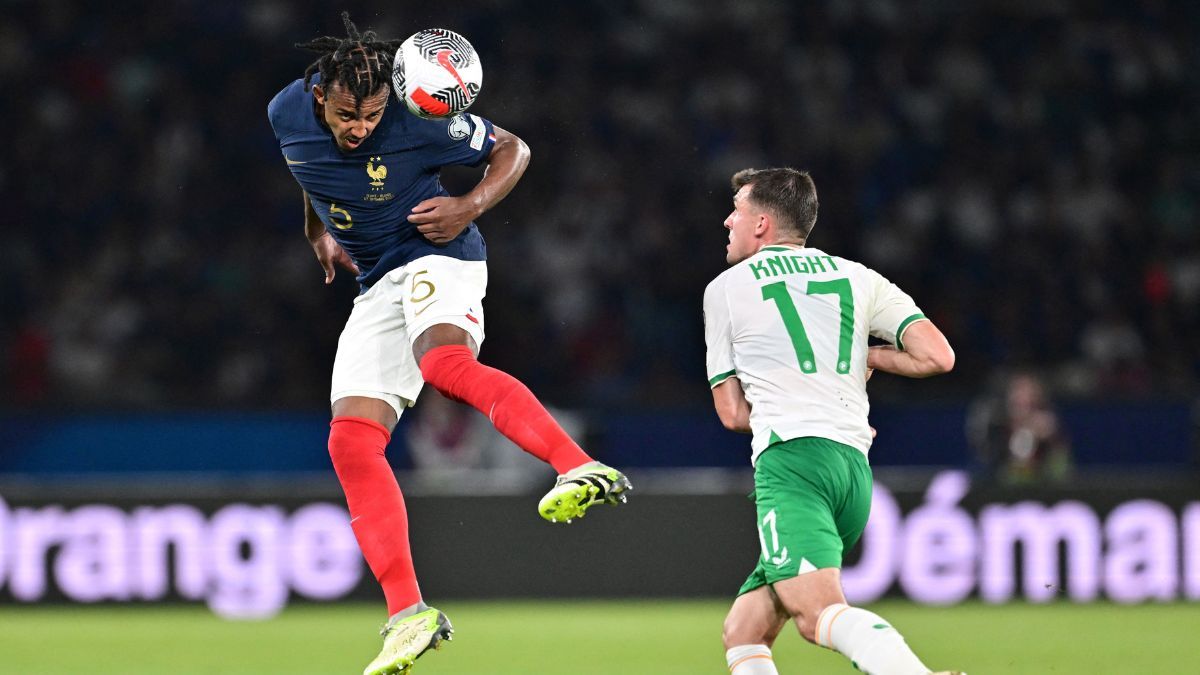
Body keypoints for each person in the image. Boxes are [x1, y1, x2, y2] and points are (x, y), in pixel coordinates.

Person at [266, 14, 630, 675]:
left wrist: (470, 205)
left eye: (372, 114)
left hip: (439, 252)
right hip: (376, 281)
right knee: (351, 441)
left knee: (445, 364)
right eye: (348, 115)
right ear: (320, 95)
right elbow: (306, 165)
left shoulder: (421, 118)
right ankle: (409, 614)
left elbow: (513, 148)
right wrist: (317, 229)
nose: (361, 128)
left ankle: (577, 465)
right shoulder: (285, 110)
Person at [703, 168, 962, 675]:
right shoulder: (859, 277)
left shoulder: (726, 289)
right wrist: (869, 356)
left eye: (736, 210)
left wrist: (794, 407)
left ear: (762, 223)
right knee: (745, 629)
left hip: (793, 465)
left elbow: (732, 413)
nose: (727, 220)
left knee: (816, 614)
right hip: (852, 471)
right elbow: (938, 356)